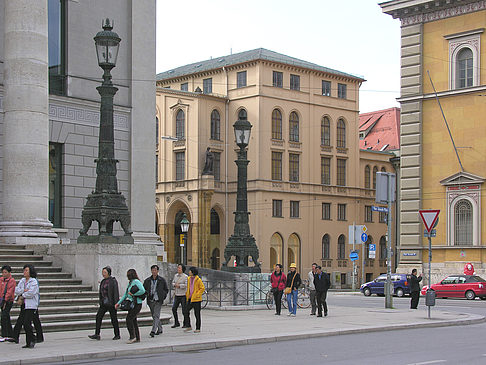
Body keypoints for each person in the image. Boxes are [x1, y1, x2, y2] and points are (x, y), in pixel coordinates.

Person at [8, 264, 39, 348]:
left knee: (26, 323)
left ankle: (32, 339)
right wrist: (23, 291)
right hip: (24, 305)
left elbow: (31, 293)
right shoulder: (22, 280)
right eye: (24, 270)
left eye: (26, 270)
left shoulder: (33, 281)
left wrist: (22, 295)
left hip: (31, 305)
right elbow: (17, 290)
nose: (24, 272)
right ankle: (28, 341)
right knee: (22, 321)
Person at [88, 266, 120, 341]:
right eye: (103, 272)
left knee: (114, 319)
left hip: (111, 303)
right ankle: (97, 334)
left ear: (109, 273)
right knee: (98, 316)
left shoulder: (113, 281)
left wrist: (116, 303)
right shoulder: (103, 281)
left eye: (105, 272)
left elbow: (116, 293)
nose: (103, 274)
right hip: (104, 303)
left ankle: (117, 334)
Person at [115, 269, 145, 344]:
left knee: (129, 319)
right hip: (132, 304)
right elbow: (125, 294)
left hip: (136, 304)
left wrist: (134, 294)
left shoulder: (136, 282)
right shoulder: (130, 283)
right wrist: (118, 303)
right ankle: (137, 337)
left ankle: (133, 336)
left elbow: (142, 290)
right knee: (133, 320)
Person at [143, 265, 168, 337]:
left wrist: (163, 296)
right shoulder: (147, 280)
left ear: (158, 271)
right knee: (154, 315)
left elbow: (166, 289)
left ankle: (153, 330)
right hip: (150, 299)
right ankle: (160, 329)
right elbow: (144, 289)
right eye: (153, 270)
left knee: (156, 315)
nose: (154, 271)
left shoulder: (161, 280)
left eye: (155, 270)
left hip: (158, 300)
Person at [183, 267, 205, 333]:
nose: (189, 272)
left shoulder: (198, 279)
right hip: (190, 298)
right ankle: (188, 325)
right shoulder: (189, 278)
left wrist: (197, 294)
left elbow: (202, 288)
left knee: (197, 314)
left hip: (196, 299)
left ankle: (198, 327)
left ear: (193, 272)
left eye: (190, 271)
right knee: (186, 311)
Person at [0, 265, 16, 339]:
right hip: (1, 300)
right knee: (6, 316)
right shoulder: (1, 280)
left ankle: (4, 334)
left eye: (5, 272)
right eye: (3, 272)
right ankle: (10, 333)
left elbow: (10, 292)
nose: (4, 274)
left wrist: (5, 300)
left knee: (3, 316)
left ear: (9, 273)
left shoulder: (12, 281)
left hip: (8, 301)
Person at [171, 264, 188, 328]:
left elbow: (186, 285)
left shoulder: (185, 276)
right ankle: (176, 322)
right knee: (174, 308)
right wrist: (174, 285)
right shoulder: (175, 275)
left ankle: (185, 323)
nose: (178, 269)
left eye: (179, 268)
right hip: (177, 294)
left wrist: (179, 286)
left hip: (183, 294)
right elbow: (173, 282)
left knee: (184, 310)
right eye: (178, 268)